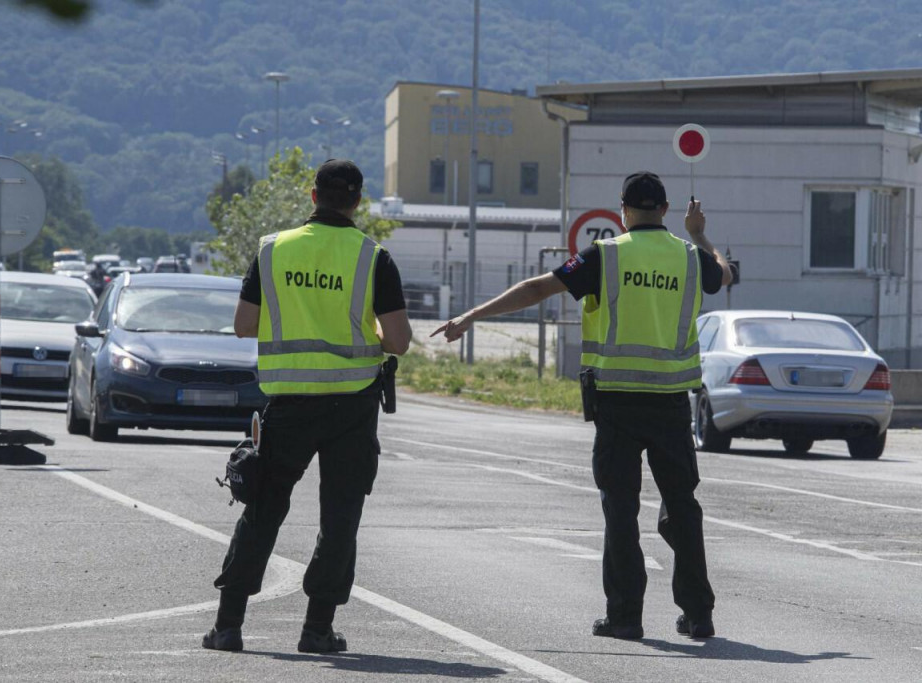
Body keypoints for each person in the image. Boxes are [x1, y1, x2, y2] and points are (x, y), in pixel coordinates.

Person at [432, 171, 732, 641]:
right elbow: (724, 273)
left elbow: (537, 289)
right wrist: (700, 234)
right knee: (683, 507)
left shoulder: (607, 255)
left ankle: (625, 616)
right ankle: (698, 614)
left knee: (621, 509)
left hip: (617, 403)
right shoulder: (691, 258)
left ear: (623, 211)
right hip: (672, 402)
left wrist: (473, 315)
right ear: (667, 210)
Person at [203, 159, 413, 654]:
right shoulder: (372, 257)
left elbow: (243, 325)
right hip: (351, 407)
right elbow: (398, 341)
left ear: (312, 195)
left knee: (263, 510)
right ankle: (317, 630)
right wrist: (369, 331)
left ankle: (228, 626)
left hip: (289, 403)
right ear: (357, 202)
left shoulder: (272, 251)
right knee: (340, 518)